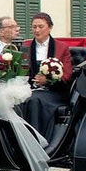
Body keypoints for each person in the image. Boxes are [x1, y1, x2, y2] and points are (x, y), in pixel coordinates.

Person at [22, 12, 73, 141]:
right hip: (30, 88)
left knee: (33, 100)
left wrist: (48, 80)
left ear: (49, 28)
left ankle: (36, 140)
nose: (37, 30)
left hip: (54, 92)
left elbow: (67, 76)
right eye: (34, 27)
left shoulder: (62, 48)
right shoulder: (26, 47)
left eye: (40, 26)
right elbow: (21, 71)